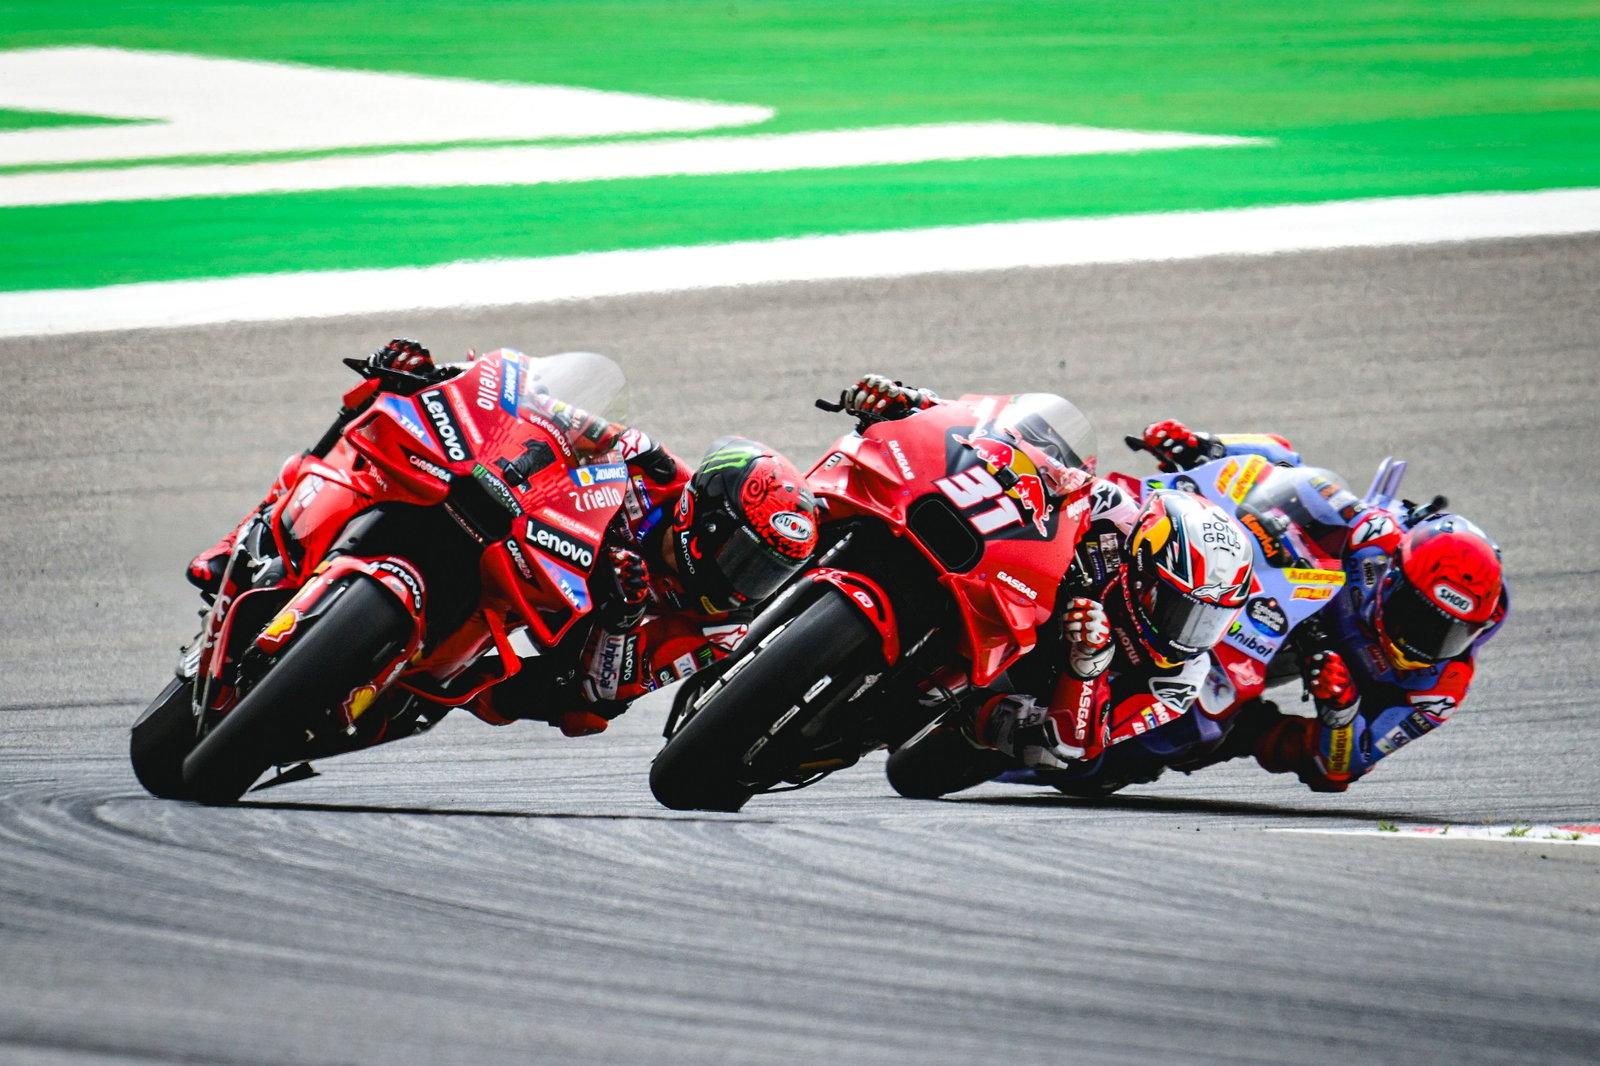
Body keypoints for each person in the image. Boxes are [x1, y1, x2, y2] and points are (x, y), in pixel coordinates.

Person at [188, 339, 819, 740]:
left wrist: (623, 618)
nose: (744, 585)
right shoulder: (650, 465)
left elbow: (604, 693)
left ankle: (408, 677)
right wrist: (445, 378)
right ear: (704, 518)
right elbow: (542, 405)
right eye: (742, 560)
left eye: (765, 575)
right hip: (517, 529)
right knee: (377, 416)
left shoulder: (716, 633)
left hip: (542, 632)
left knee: (578, 713)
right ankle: (240, 542)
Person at [836, 376, 1256, 799]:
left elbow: (1076, 743)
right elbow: (1017, 450)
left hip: (1031, 693)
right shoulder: (1112, 512)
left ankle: (963, 712)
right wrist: (917, 404)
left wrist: (1089, 662)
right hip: (1000, 592)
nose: (1189, 634)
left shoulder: (1180, 680)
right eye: (1182, 611)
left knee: (1051, 755)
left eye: (1208, 620)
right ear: (1144, 570)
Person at [1136, 419, 1508, 792]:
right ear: (1394, 580)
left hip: (1317, 666)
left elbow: (1345, 766)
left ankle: (1211, 736)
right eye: (1419, 618)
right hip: (1282, 593)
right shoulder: (1376, 537)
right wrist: (1208, 446)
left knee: (1221, 735)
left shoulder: (1438, 691)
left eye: (1451, 633)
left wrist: (1341, 710)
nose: (1425, 641)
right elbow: (1287, 463)